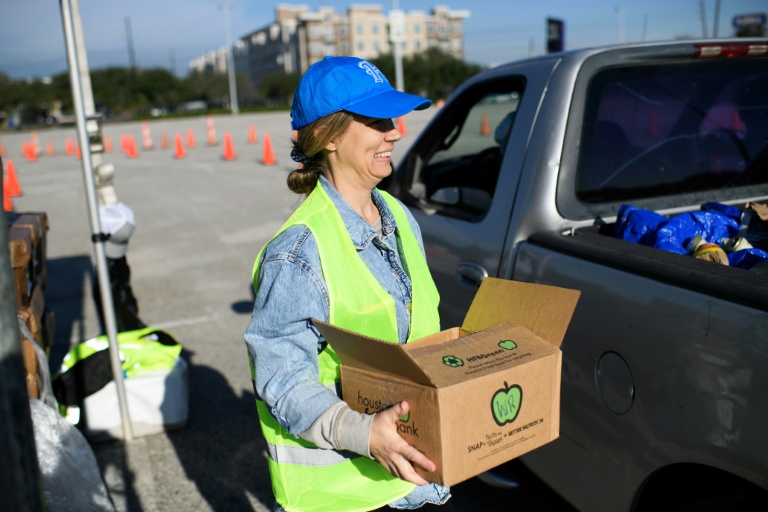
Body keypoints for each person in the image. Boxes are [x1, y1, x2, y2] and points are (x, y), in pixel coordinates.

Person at [243, 56, 452, 512]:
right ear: (330, 135)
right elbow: (282, 376)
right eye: (377, 121)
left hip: (418, 481)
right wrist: (364, 433)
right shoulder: (299, 251)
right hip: (346, 499)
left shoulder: (398, 216)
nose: (396, 132)